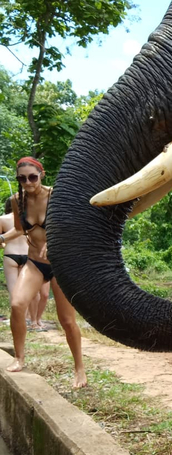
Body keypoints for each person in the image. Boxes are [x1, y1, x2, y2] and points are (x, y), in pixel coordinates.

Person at [1, 158, 87, 388]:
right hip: (34, 262)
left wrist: (57, 240)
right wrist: (2, 238)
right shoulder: (17, 201)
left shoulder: (57, 196)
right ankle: (19, 358)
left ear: (42, 174)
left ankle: (79, 369)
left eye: (32, 177)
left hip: (61, 264)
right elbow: (19, 229)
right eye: (22, 178)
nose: (27, 182)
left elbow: (76, 226)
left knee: (67, 320)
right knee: (17, 305)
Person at [1, 197, 50, 329]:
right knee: (34, 293)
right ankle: (33, 320)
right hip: (27, 254)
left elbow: (2, 242)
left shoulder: (3, 219)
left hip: (11, 254)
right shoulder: (29, 218)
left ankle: (19, 321)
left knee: (15, 292)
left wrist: (4, 242)